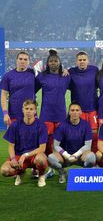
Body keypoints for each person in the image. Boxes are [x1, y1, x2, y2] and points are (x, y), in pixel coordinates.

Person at [35, 50, 70, 178]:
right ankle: (50, 168)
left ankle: (61, 168)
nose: (53, 63)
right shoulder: (42, 77)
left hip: (60, 115)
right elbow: (31, 90)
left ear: (59, 62)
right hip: (46, 115)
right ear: (47, 63)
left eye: (55, 61)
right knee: (48, 144)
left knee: (60, 143)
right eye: (51, 61)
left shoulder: (66, 77)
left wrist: (66, 70)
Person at [0, 99, 48, 187]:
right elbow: (11, 146)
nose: (28, 111)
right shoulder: (15, 125)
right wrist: (13, 159)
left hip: (35, 156)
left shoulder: (41, 125)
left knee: (41, 159)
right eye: (26, 109)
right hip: (19, 156)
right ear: (22, 110)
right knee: (4, 170)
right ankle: (20, 173)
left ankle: (41, 176)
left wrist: (25, 155)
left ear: (35, 111)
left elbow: (42, 148)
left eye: (31, 109)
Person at [47, 102, 96, 184]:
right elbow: (55, 145)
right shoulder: (62, 125)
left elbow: (88, 145)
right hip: (65, 157)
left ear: (81, 112)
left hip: (80, 156)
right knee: (51, 158)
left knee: (92, 157)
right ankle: (62, 172)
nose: (75, 112)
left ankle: (83, 174)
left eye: (77, 110)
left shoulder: (86, 125)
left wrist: (75, 155)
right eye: (72, 110)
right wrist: (67, 155)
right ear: (69, 112)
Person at [68, 51, 99, 152]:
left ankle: (93, 155)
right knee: (79, 133)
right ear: (76, 61)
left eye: (84, 60)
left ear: (88, 61)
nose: (82, 62)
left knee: (94, 132)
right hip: (78, 110)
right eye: (80, 60)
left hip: (92, 108)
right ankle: (80, 154)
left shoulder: (94, 70)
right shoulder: (71, 72)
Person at [1, 51, 35, 126]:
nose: (23, 61)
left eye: (25, 59)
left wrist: (63, 70)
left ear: (29, 62)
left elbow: (50, 72)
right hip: (13, 116)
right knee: (14, 138)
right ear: (16, 60)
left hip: (31, 116)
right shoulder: (8, 76)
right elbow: (3, 96)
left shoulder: (33, 73)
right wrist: (5, 113)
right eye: (20, 59)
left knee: (31, 138)